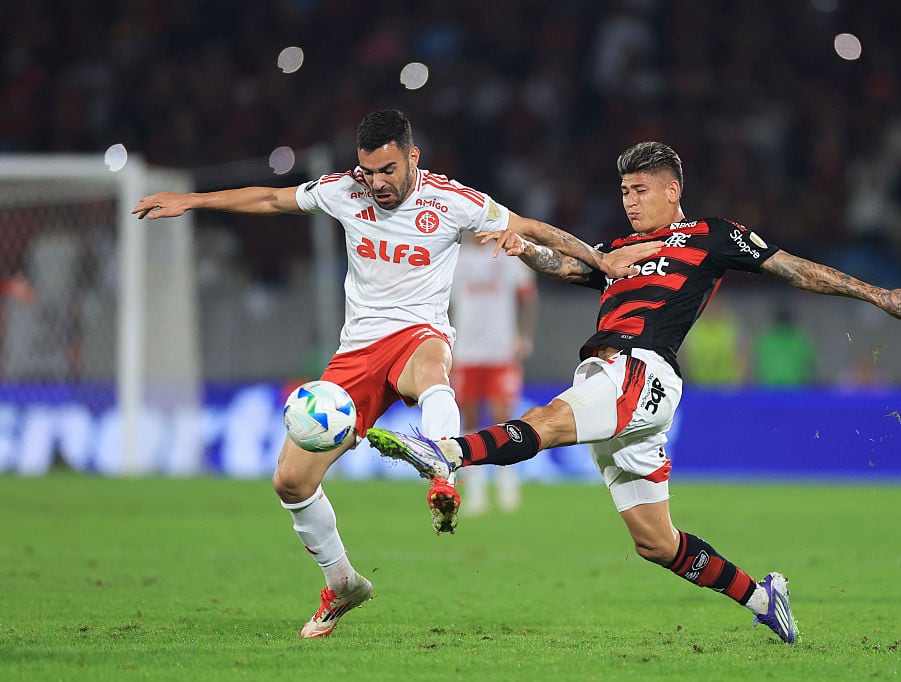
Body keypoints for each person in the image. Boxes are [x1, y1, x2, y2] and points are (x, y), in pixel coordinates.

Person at [365, 141, 901, 644]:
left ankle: (448, 452)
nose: (630, 201)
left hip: (642, 368)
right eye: (624, 191)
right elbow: (571, 268)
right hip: (608, 376)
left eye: (640, 190)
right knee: (656, 543)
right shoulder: (617, 249)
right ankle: (763, 599)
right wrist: (525, 250)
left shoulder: (711, 235)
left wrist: (879, 296)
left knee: (548, 418)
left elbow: (792, 269)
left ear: (672, 190)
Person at [130, 110, 660, 638]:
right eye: (369, 172)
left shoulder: (451, 201)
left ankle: (443, 468)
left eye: (388, 170)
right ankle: (343, 583)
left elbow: (529, 227)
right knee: (290, 482)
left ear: (412, 158)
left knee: (431, 370)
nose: (377, 183)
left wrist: (601, 261)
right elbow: (271, 198)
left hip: (418, 335)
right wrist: (191, 202)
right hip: (357, 353)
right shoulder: (344, 191)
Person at [450, 236, 537, 516]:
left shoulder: (507, 256)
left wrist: (524, 335)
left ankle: (507, 482)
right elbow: (444, 303)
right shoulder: (455, 257)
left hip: (501, 351)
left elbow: (528, 296)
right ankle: (476, 490)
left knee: (504, 418)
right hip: (465, 352)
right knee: (470, 419)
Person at [753, 307, 816, 387]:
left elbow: (757, 367)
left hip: (769, 388)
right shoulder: (801, 340)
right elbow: (809, 368)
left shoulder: (764, 340)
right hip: (795, 389)